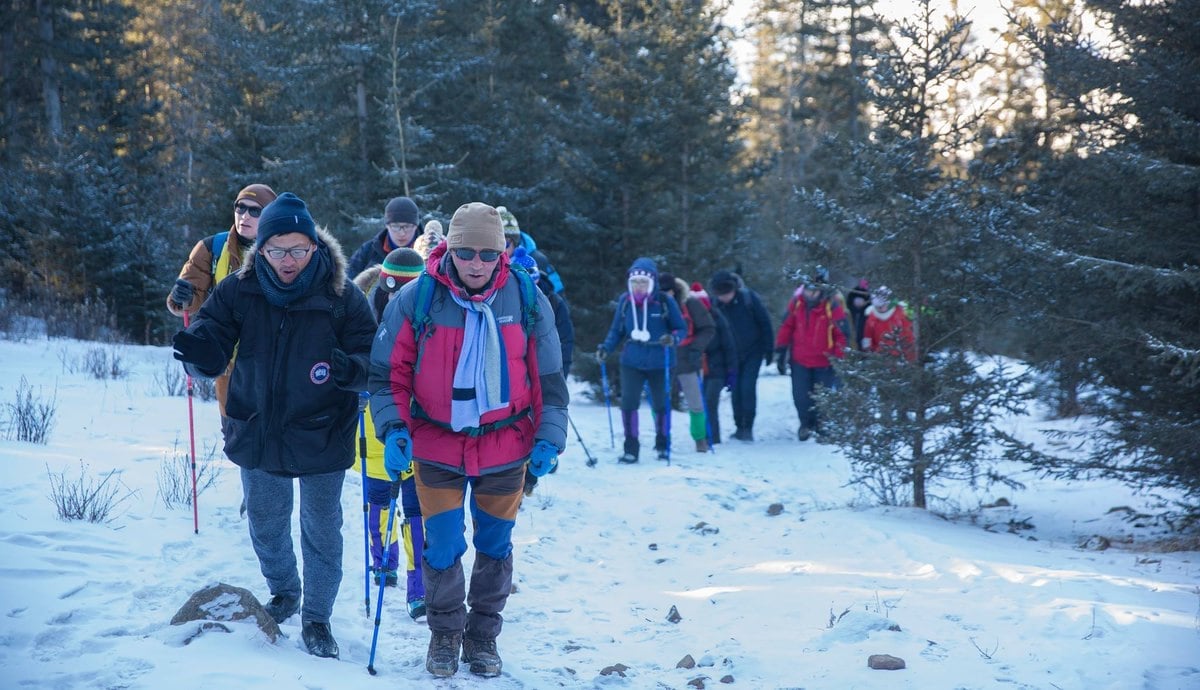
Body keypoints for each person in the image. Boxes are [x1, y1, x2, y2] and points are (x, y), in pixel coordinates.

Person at [170, 193, 378, 659]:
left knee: (321, 529)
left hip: (323, 430)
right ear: (260, 249)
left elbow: (372, 358)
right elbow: (211, 333)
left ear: (314, 247)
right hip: (257, 426)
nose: (288, 260)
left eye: (298, 249)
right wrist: (201, 354)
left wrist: (352, 369)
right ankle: (285, 591)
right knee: (266, 522)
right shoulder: (238, 290)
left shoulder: (342, 296)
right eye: (277, 249)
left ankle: (318, 618)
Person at [368, 202, 569, 678]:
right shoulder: (417, 298)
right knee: (441, 545)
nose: (476, 264)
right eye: (465, 253)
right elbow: (387, 375)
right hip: (435, 444)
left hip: (506, 444)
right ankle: (444, 633)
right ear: (449, 250)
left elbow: (549, 378)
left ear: (501, 254)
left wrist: (549, 436)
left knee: (495, 545)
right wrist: (394, 429)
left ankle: (482, 637)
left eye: (487, 253)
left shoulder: (526, 298)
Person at [352, 248, 428, 619]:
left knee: (417, 510)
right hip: (376, 427)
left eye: (408, 289)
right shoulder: (365, 320)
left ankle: (420, 588)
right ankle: (384, 562)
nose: (399, 298)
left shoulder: (434, 319)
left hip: (421, 429)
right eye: (392, 289)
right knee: (379, 501)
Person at [167, 183, 277, 416]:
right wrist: (182, 296)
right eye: (240, 207)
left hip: (273, 361)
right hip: (228, 360)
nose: (244, 216)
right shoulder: (213, 248)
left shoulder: (283, 250)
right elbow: (186, 300)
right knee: (234, 428)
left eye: (255, 211)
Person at [596, 258, 686, 463]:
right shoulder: (625, 301)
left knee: (661, 403)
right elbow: (617, 330)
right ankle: (631, 448)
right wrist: (606, 348)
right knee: (629, 403)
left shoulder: (664, 301)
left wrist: (673, 339)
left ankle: (663, 444)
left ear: (652, 282)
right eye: (635, 282)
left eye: (643, 282)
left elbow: (681, 328)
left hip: (660, 360)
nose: (639, 286)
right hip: (632, 361)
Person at [511, 247, 575, 495]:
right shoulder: (507, 301)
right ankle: (521, 480)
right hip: (518, 377)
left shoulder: (553, 302)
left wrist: (560, 373)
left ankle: (533, 474)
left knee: (542, 419)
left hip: (547, 372)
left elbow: (565, 340)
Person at [774, 275, 848, 441]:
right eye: (808, 290)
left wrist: (839, 357)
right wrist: (781, 349)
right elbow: (787, 326)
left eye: (814, 291)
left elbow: (841, 334)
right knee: (801, 396)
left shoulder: (831, 306)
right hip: (799, 360)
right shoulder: (796, 304)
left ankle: (822, 424)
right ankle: (805, 424)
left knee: (823, 395)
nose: (810, 294)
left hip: (824, 361)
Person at [707, 270, 773, 441]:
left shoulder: (748, 299)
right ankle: (739, 426)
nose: (724, 297)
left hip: (753, 351)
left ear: (733, 289)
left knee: (747, 388)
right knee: (735, 390)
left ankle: (747, 427)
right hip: (731, 356)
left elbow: (765, 323)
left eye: (727, 293)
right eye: (720, 294)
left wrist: (769, 349)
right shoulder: (714, 305)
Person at [658, 272, 716, 452]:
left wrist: (696, 348)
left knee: (695, 401)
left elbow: (708, 328)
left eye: (668, 291)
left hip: (688, 358)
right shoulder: (652, 306)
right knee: (660, 402)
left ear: (674, 290)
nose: (665, 295)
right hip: (661, 359)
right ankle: (662, 438)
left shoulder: (690, 303)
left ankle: (700, 438)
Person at [497, 205, 566, 294]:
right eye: (495, 244)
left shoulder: (535, 260)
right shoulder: (486, 260)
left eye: (504, 244)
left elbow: (557, 295)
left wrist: (539, 284)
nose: (500, 250)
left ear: (515, 242)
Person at [348, 196, 421, 277]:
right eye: (395, 226)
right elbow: (348, 281)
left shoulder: (429, 251)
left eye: (407, 227)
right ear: (387, 225)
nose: (402, 233)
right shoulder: (368, 251)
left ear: (416, 226)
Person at [862, 285, 916, 362]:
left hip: (901, 356)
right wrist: (870, 353)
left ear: (889, 303)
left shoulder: (900, 315)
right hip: (881, 357)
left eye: (882, 306)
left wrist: (910, 358)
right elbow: (868, 338)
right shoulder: (871, 318)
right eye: (878, 306)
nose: (880, 308)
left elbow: (909, 337)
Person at [846, 279, 871, 350]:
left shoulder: (868, 294)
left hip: (863, 317)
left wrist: (864, 305)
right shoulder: (854, 292)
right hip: (853, 315)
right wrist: (854, 305)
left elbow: (869, 305)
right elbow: (849, 302)